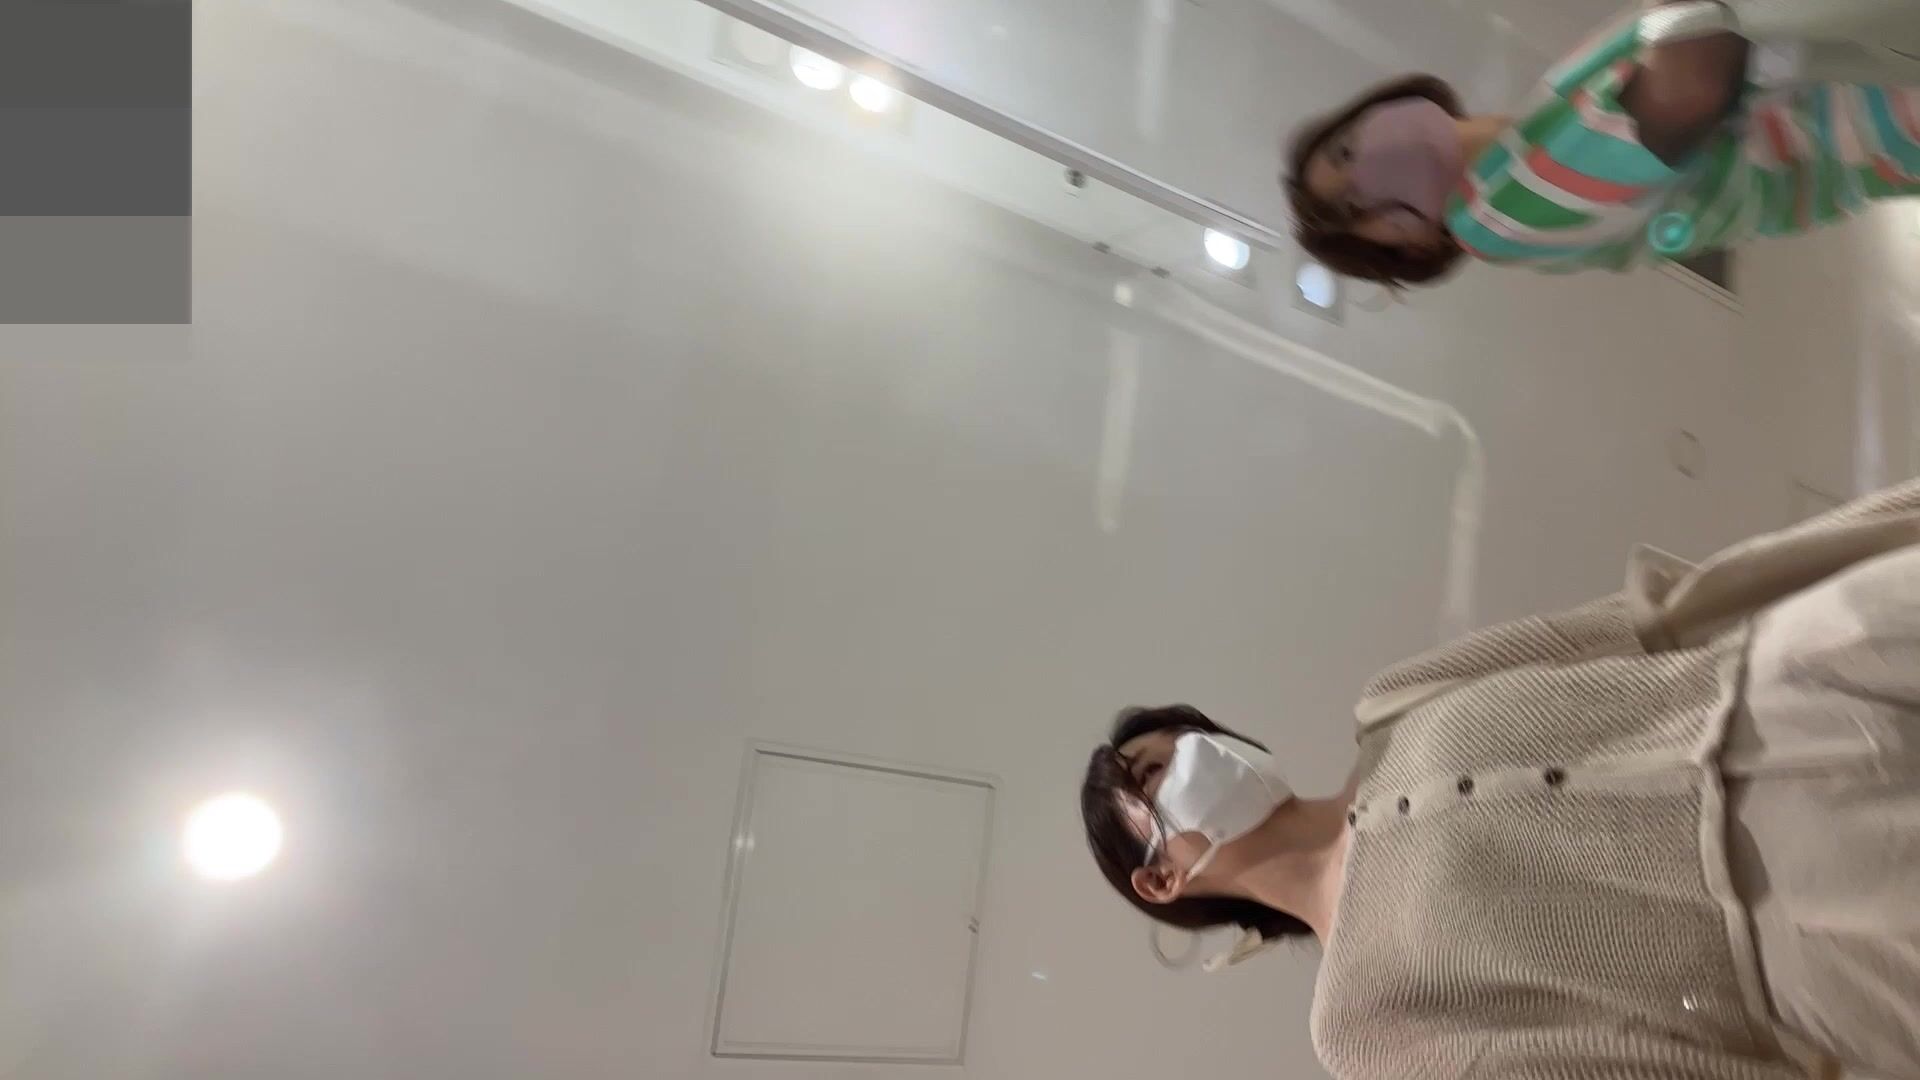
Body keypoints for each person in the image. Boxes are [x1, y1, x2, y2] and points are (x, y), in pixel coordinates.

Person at [1080, 477, 1920, 1080]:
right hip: (1808, 921)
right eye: (1155, 773)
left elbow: (1640, 623)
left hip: (1789, 673)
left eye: (1191, 736)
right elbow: (1602, 1066)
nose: (1198, 755)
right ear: (1160, 880)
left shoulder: (1392, 704)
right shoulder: (1361, 1023)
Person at [1282, 0, 1920, 287]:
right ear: (1414, 248)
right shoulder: (1493, 218)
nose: (1366, 174)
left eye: (1344, 152)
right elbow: (1688, 89)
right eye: (1352, 207)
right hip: (1871, 100)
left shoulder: (1526, 137)